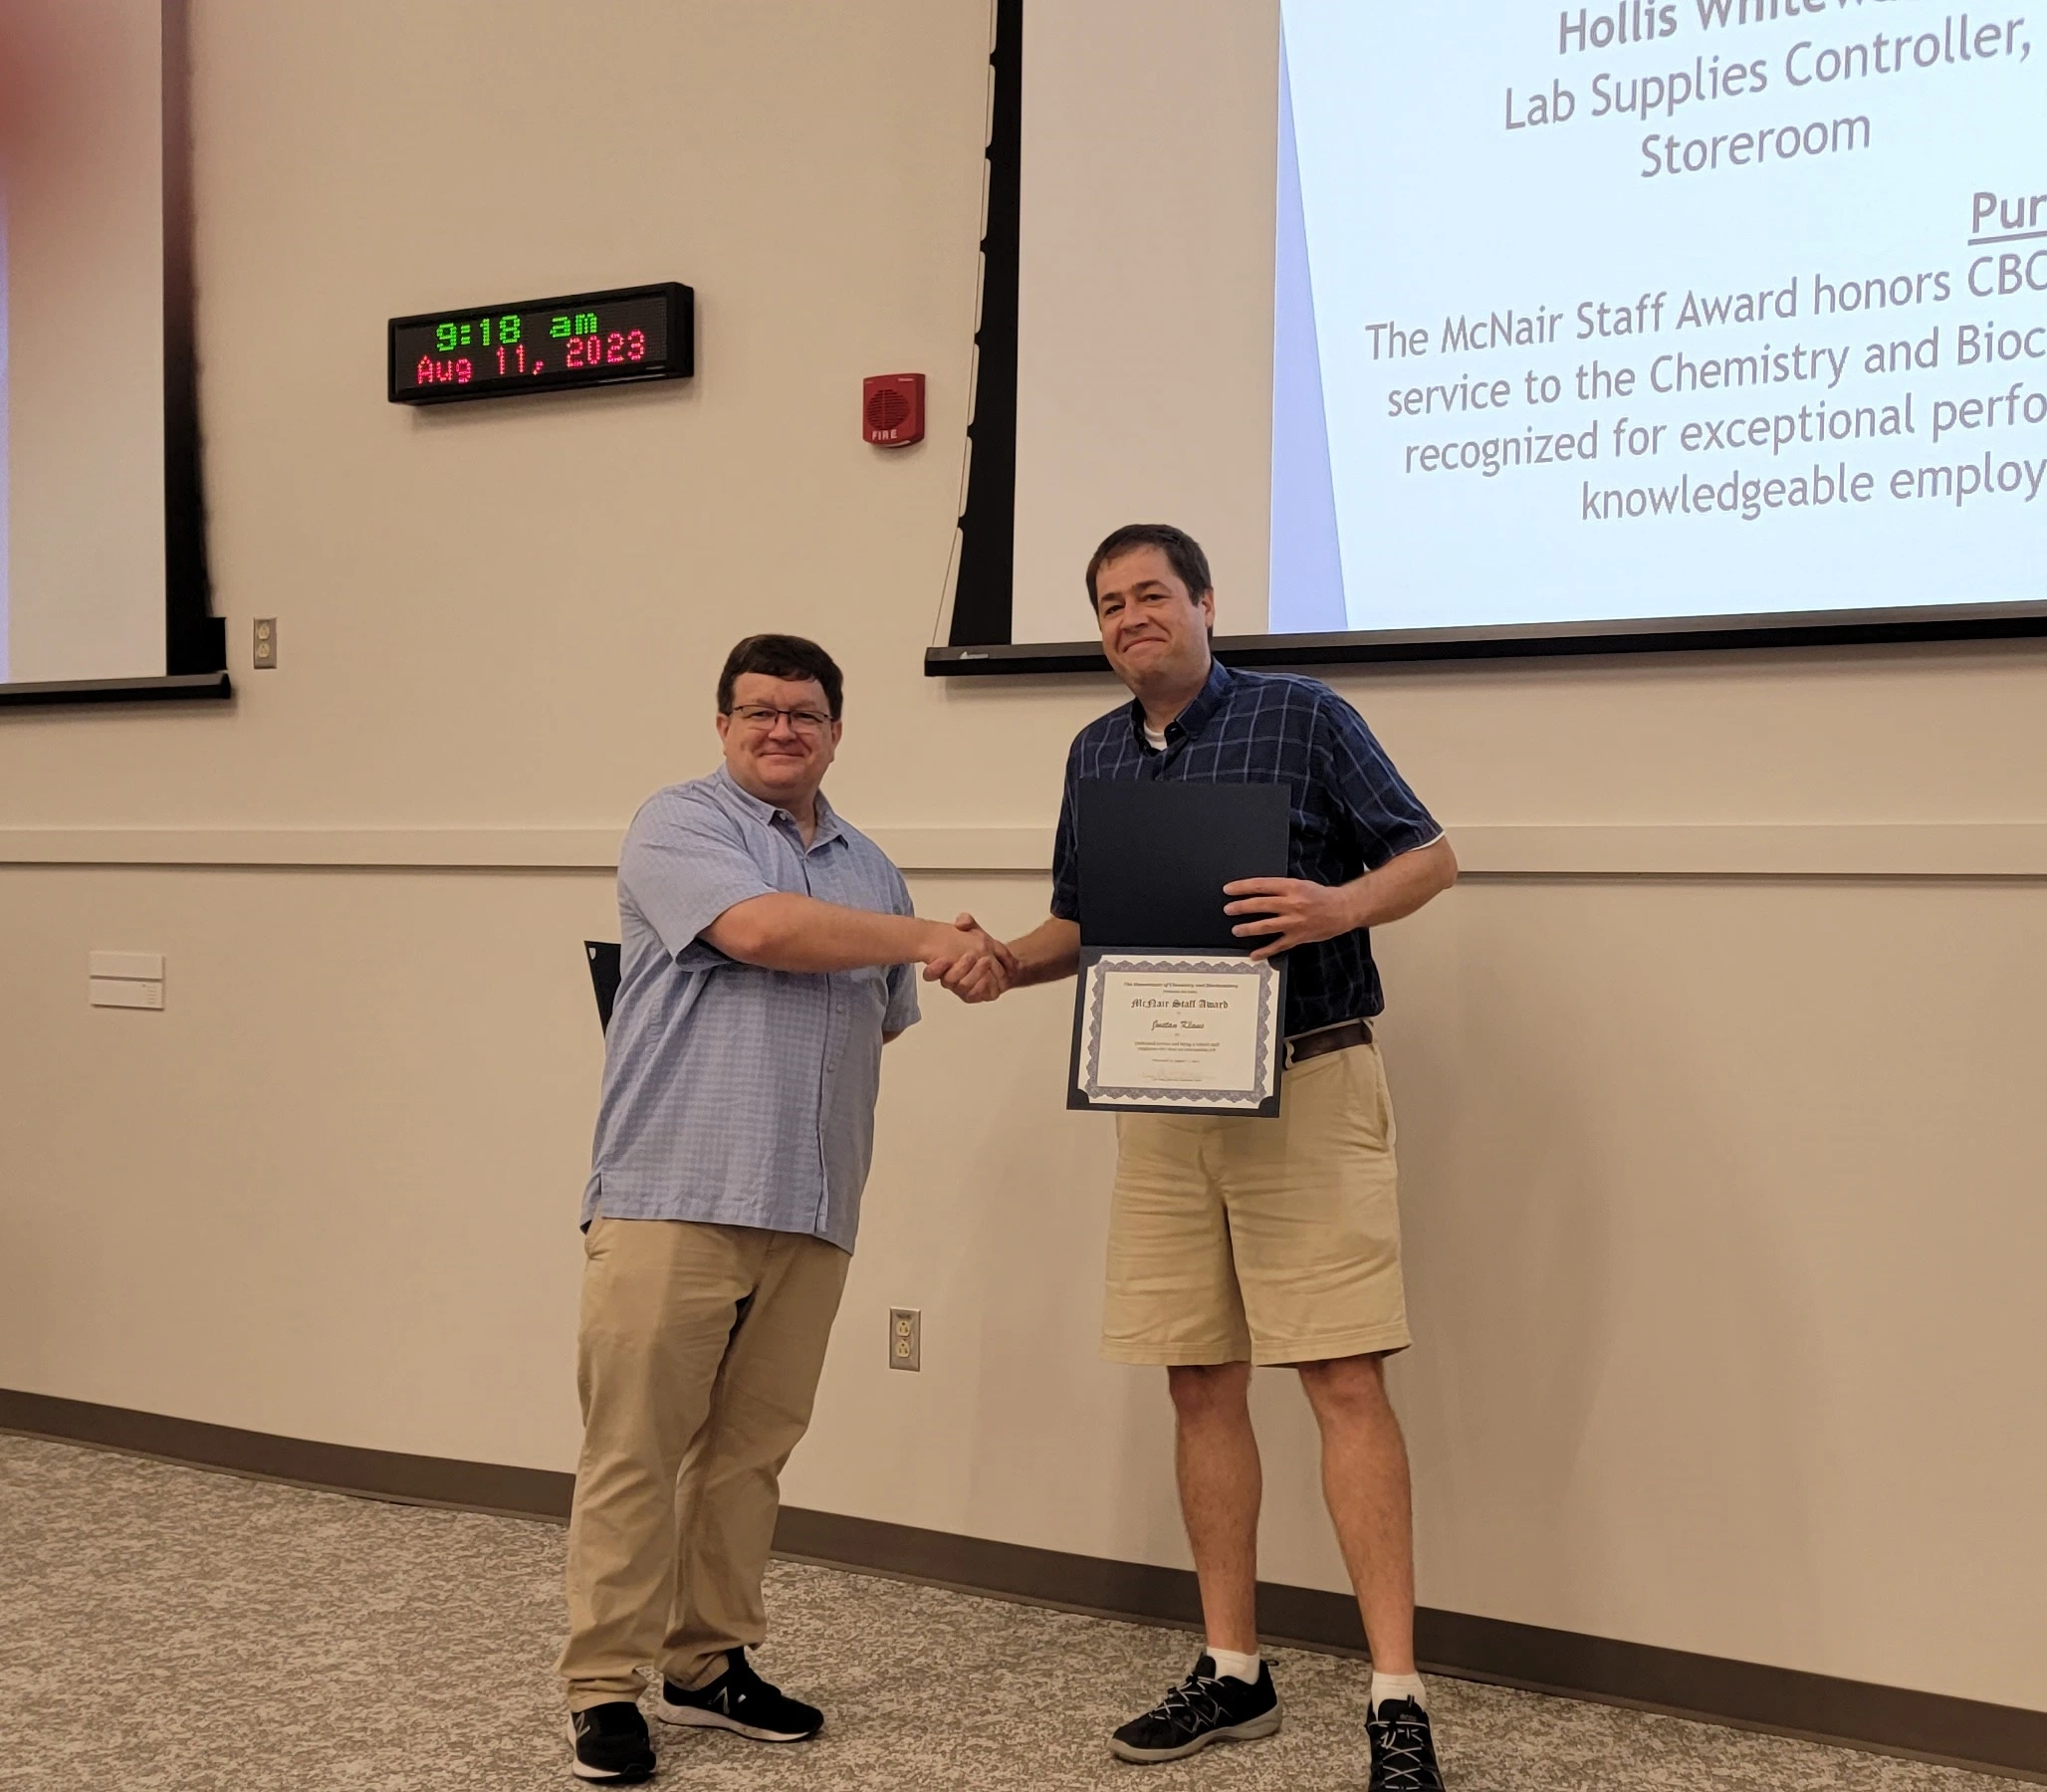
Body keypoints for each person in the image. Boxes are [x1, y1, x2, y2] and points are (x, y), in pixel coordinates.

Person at [932, 526, 1459, 1791]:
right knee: (1198, 1382)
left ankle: (1395, 1699)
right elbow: (1082, 918)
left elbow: (1431, 855)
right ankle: (1234, 1671)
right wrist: (1008, 961)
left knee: (1339, 1381)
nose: (1130, 620)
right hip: (1161, 1101)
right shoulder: (1095, 751)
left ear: (1205, 603)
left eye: (1151, 595)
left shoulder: (1302, 716)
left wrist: (1335, 906)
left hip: (1312, 1078)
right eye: (1108, 606)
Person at [561, 633, 1013, 1784]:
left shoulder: (870, 865)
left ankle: (706, 1664)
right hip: (674, 1194)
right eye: (756, 711)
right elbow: (759, 931)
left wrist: (929, 946)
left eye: (803, 714)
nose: (780, 730)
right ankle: (604, 1686)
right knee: (636, 1448)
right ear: (721, 726)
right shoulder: (679, 825)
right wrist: (929, 938)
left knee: (751, 1454)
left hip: (811, 1203)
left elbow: (881, 1026)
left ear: (836, 732)